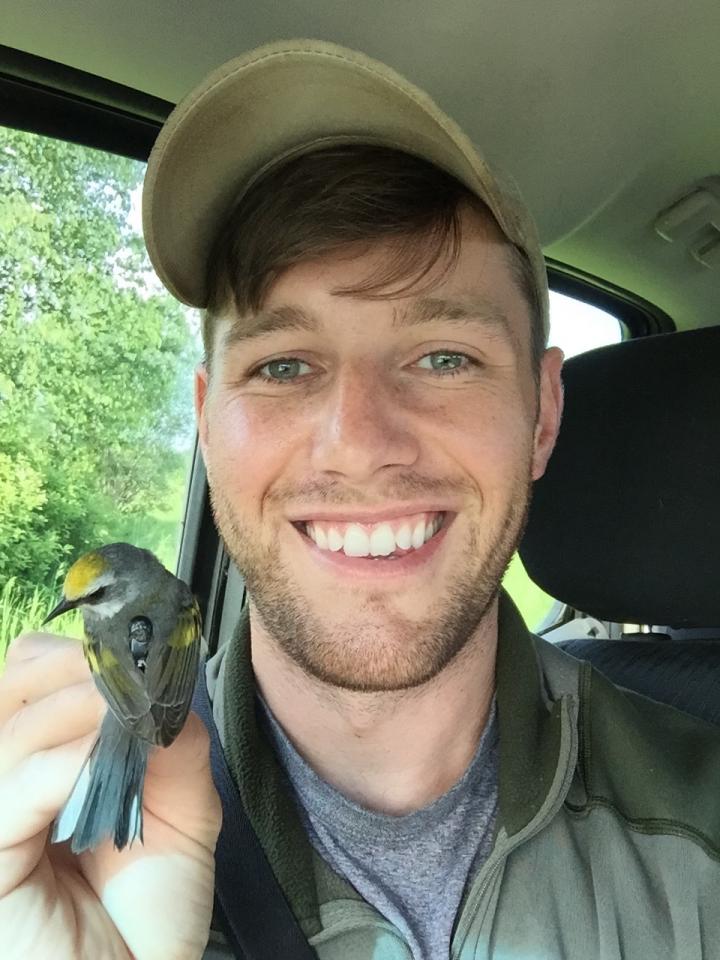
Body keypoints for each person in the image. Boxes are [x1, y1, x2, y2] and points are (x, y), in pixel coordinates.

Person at [2, 38, 720, 960]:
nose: (358, 443)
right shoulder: (60, 854)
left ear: (542, 416)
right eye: (284, 366)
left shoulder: (700, 834)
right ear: (209, 423)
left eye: (444, 357)